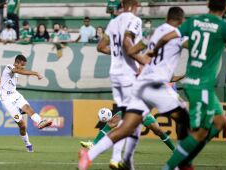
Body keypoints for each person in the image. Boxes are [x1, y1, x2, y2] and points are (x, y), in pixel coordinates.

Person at [79, 5, 190, 170]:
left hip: (140, 84)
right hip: (156, 84)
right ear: (181, 21)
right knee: (184, 118)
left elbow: (130, 50)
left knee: (127, 126)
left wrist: (144, 59)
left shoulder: (152, 34)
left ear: (166, 18)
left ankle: (91, 156)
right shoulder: (179, 35)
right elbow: (195, 46)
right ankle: (181, 163)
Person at [148, 0, 226, 169]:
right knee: (199, 132)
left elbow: (169, 36)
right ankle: (174, 165)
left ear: (208, 4)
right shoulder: (224, 27)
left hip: (195, 83)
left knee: (219, 120)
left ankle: (185, 158)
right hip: (201, 86)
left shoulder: (193, 21)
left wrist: (154, 50)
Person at [0, 54, 52, 152]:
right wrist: (35, 73)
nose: (23, 67)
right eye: (22, 65)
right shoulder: (9, 67)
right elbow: (9, 75)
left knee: (28, 108)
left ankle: (40, 122)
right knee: (22, 125)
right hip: (7, 100)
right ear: (16, 62)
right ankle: (27, 144)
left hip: (15, 95)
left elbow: (0, 80)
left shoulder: (15, 72)